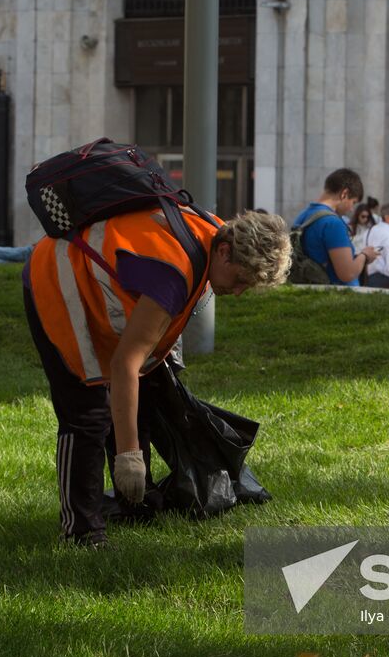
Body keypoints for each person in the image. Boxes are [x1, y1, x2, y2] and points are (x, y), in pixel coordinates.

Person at [24, 208, 290, 546]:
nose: (238, 292)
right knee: (86, 413)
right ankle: (82, 531)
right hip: (55, 283)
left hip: (91, 282)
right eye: (240, 280)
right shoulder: (173, 273)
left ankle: (135, 504)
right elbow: (125, 366)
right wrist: (129, 456)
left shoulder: (216, 233)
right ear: (224, 252)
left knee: (147, 388)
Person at [290, 169, 380, 286]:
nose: (352, 209)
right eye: (353, 202)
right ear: (344, 194)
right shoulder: (333, 223)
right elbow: (347, 274)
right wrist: (365, 255)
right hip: (336, 296)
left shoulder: (303, 215)